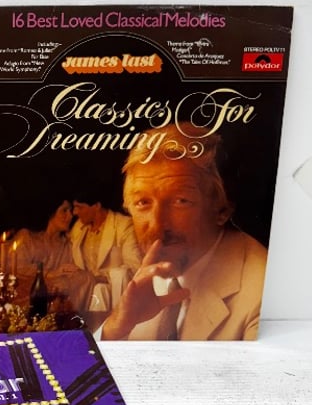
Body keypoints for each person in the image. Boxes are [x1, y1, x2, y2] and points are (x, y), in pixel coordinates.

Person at [100, 123, 267, 340]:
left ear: (222, 210)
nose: (157, 225)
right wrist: (115, 328)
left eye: (181, 201)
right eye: (142, 202)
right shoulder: (157, 265)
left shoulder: (263, 294)